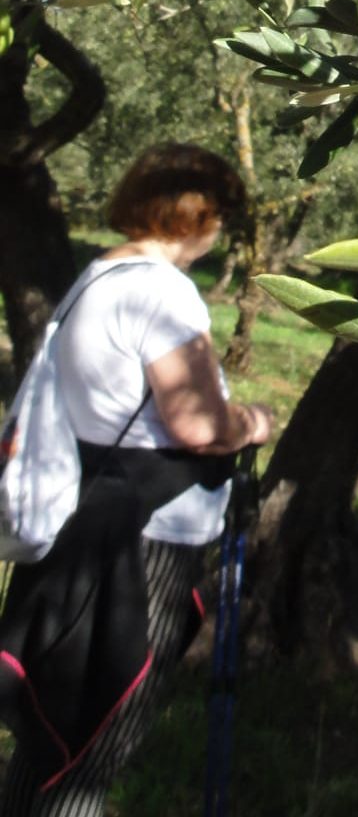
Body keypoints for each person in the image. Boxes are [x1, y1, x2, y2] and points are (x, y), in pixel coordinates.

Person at [0, 143, 273, 815]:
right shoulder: (161, 292)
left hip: (87, 519)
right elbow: (197, 424)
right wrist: (254, 421)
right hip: (142, 546)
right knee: (95, 739)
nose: (221, 231)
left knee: (51, 733)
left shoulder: (100, 274)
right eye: (220, 215)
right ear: (195, 215)